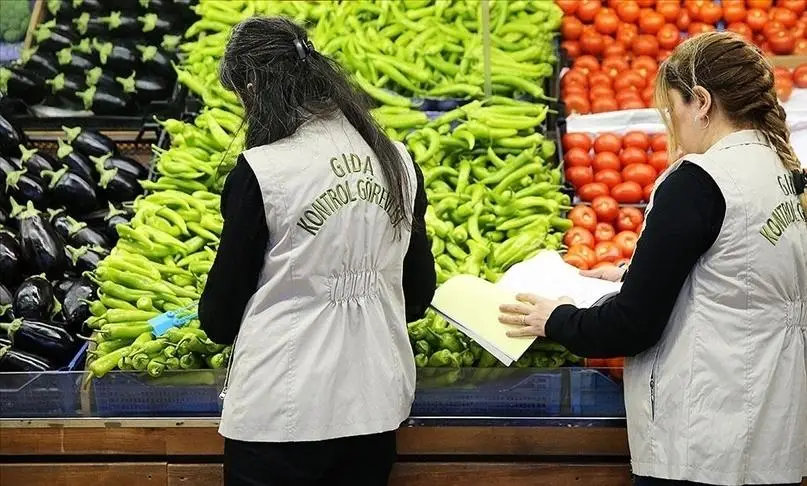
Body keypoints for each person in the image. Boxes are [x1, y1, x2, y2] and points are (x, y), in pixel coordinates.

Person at [499, 32, 807, 486]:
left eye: (673, 109)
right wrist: (632, 272)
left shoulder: (700, 181)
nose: (672, 125)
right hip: (769, 434)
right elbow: (742, 268)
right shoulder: (781, 171)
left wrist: (557, 319)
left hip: (702, 442)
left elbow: (634, 325)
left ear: (701, 102)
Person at [197, 17, 436, 486]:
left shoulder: (263, 172)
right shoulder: (397, 160)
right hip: (374, 410)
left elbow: (219, 320)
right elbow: (418, 294)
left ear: (253, 88)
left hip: (280, 417)